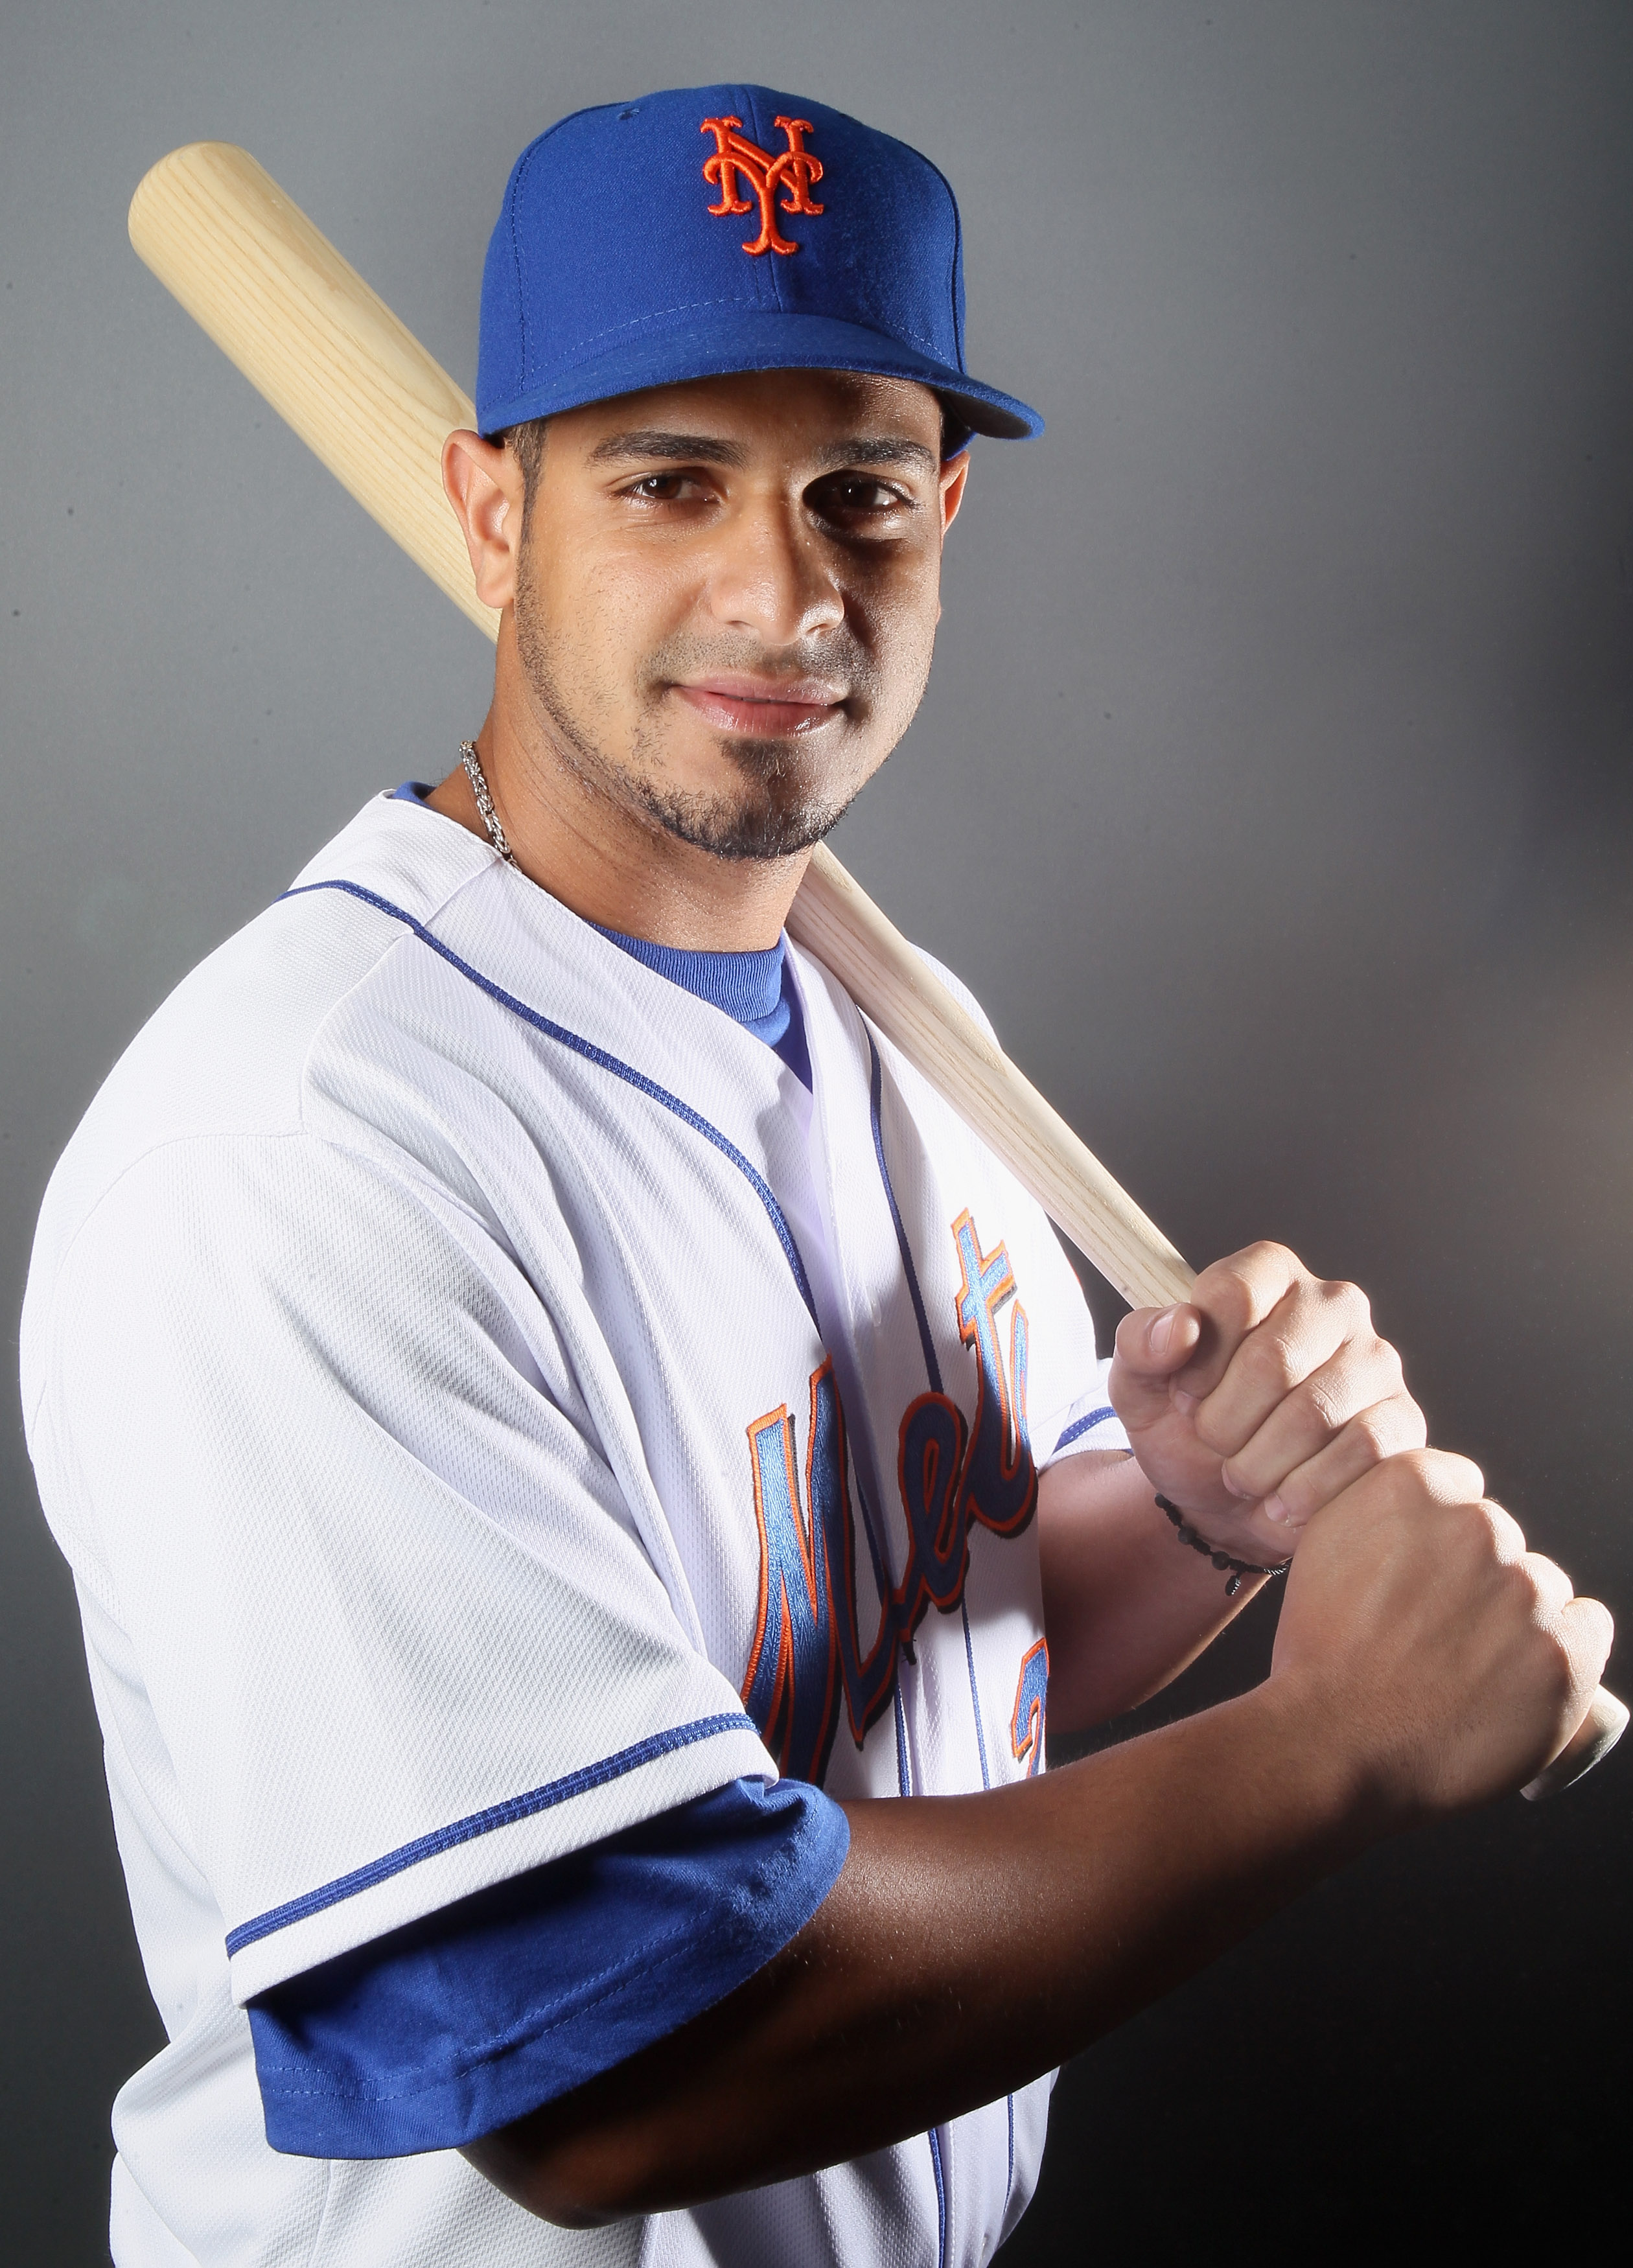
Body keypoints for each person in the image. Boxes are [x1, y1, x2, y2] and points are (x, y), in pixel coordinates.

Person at [20, 82, 1612, 2268]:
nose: (785, 592)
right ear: (490, 516)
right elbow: (603, 2062)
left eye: (857, 491)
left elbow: (952, 1630)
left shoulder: (897, 1026)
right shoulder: (304, 1151)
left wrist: (1198, 1510)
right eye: (670, 481)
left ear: (943, 513)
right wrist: (1330, 1743)